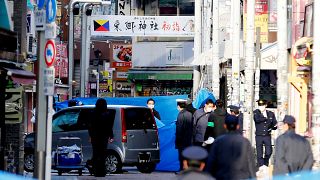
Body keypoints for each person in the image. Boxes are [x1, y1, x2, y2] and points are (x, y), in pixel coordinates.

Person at [205, 115, 256, 179]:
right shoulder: (245, 142)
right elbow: (250, 163)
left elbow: (211, 162)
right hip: (241, 177)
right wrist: (253, 177)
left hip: (222, 176)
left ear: (225, 126)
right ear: (237, 126)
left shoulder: (218, 141)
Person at [88, 98, 114, 177]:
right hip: (104, 137)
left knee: (96, 153)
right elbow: (109, 126)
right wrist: (111, 136)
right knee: (103, 154)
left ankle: (95, 171)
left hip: (95, 136)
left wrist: (91, 136)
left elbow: (90, 126)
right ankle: (102, 171)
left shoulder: (93, 113)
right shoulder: (107, 114)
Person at [253, 99, 277, 168]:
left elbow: (274, 123)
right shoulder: (256, 112)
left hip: (267, 135)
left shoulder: (271, 113)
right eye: (259, 105)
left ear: (265, 105)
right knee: (259, 153)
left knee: (269, 152)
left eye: (262, 105)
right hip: (259, 135)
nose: (261, 107)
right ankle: (261, 166)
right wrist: (265, 118)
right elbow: (257, 120)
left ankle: (265, 163)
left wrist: (275, 126)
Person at [175, 99, 194, 171]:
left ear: (178, 106)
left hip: (182, 140)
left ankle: (181, 169)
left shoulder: (180, 115)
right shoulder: (190, 114)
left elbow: (179, 129)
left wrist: (178, 140)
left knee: (181, 155)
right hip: (189, 139)